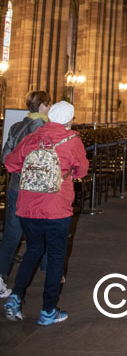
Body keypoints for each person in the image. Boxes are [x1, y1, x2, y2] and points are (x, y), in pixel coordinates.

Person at [3, 100, 89, 325]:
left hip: (28, 206)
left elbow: (10, 164)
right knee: (56, 257)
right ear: (70, 119)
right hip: (56, 208)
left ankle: (16, 296)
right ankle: (48, 311)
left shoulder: (32, 138)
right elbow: (82, 169)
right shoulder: (72, 140)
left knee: (33, 250)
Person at [0, 90, 52, 298]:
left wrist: (20, 172)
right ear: (41, 106)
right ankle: (50, 274)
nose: (49, 109)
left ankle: (0, 277)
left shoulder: (15, 126)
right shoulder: (46, 129)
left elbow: (5, 157)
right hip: (37, 191)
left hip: (15, 187)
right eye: (48, 105)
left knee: (11, 235)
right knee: (46, 230)